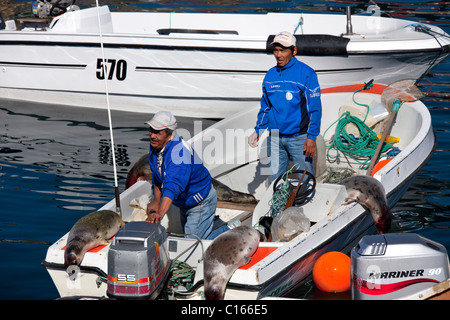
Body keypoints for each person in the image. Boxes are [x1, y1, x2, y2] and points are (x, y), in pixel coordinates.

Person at [248, 31, 322, 182]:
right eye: (276, 50)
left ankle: (306, 205)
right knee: (275, 180)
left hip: (299, 138)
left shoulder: (307, 73)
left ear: (294, 51)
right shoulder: (270, 75)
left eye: (283, 50)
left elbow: (315, 109)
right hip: (275, 137)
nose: (278, 55)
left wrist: (311, 137)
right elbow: (266, 107)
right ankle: (278, 206)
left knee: (305, 178)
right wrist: (258, 131)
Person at [144, 111, 218, 240]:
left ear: (169, 135)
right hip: (183, 201)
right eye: (151, 130)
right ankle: (208, 226)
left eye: (158, 132)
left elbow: (172, 186)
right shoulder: (156, 146)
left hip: (199, 201)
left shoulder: (179, 155)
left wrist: (160, 213)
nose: (152, 135)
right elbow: (157, 175)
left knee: (191, 241)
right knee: (188, 233)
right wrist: (155, 201)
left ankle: (226, 229)